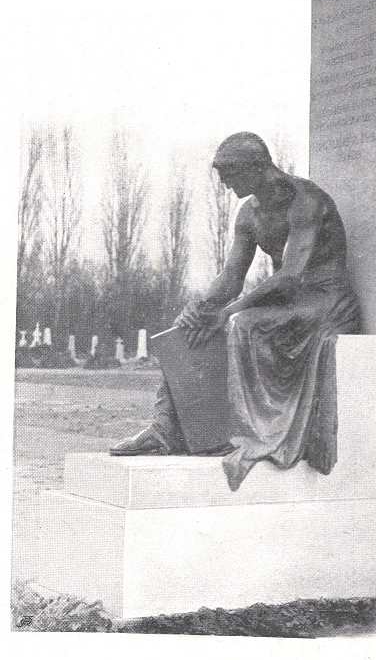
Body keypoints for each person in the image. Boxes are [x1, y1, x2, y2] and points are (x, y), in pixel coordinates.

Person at [111, 132, 360, 489]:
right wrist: (201, 307)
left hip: (325, 301)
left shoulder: (306, 201)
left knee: (243, 323)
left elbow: (291, 275)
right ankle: (164, 428)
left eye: (229, 175)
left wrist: (227, 312)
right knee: (189, 328)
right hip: (289, 302)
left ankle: (249, 434)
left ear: (257, 168)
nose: (225, 184)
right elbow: (231, 277)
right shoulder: (249, 213)